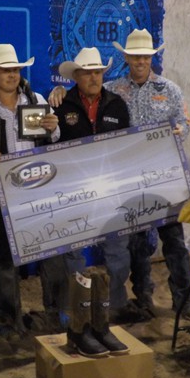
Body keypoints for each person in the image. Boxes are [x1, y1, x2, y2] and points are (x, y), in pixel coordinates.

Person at [49, 29, 190, 324]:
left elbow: (183, 123)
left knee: (173, 239)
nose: (140, 61)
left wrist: (178, 132)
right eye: (135, 56)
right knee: (133, 242)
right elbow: (82, 97)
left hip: (163, 175)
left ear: (152, 57)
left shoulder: (170, 90)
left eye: (145, 56)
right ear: (126, 58)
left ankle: (184, 299)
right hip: (126, 178)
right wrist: (58, 92)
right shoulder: (112, 90)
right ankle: (142, 296)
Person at [0, 43, 60, 337]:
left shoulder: (38, 101)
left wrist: (53, 127)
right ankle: (8, 320)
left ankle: (58, 316)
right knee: (2, 260)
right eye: (6, 70)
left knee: (52, 253)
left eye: (16, 69)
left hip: (39, 190)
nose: (12, 74)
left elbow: (54, 139)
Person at [54, 46, 131, 356]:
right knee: (72, 258)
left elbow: (128, 147)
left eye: (98, 72)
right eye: (88, 72)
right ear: (76, 76)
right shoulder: (60, 104)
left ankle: (104, 319)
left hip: (111, 189)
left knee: (117, 255)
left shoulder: (117, 105)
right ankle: (77, 320)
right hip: (73, 191)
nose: (94, 77)